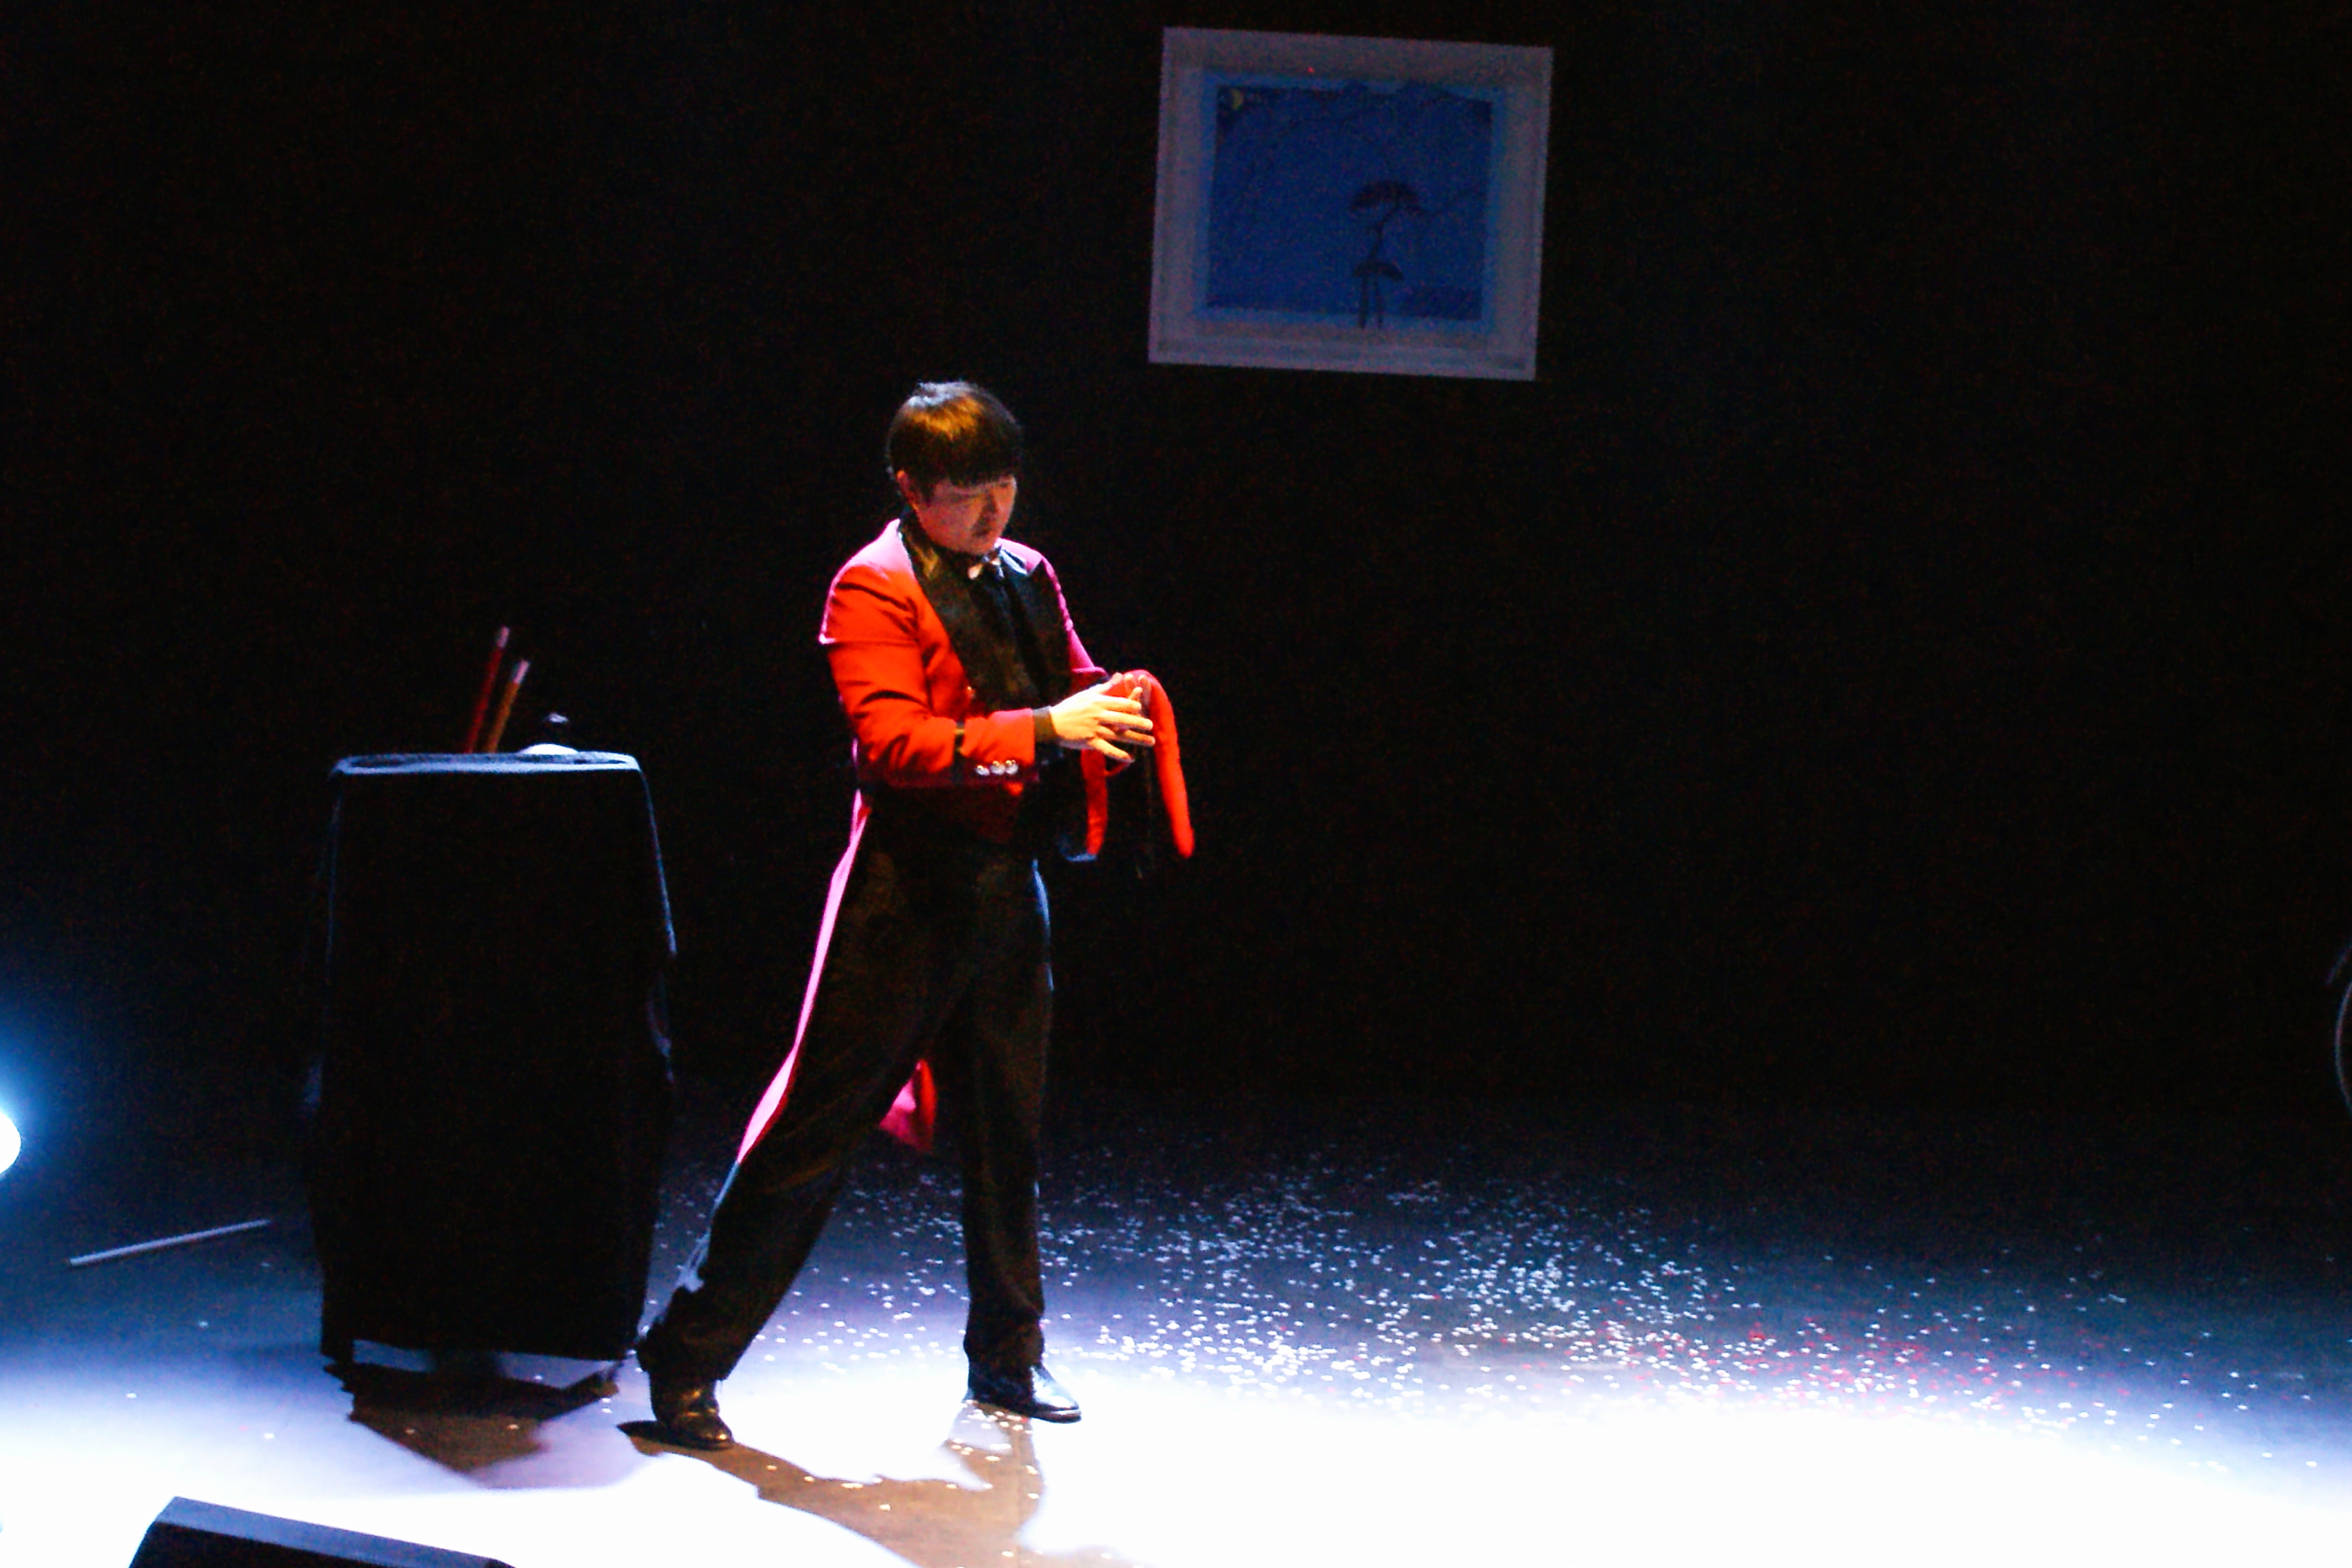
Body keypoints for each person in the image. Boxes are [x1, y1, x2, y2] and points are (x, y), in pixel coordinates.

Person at [635, 382, 1154, 1446]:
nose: (993, 510)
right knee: (815, 1129)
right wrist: (1044, 726)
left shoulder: (1025, 571)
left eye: (1004, 485)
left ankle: (1006, 1351)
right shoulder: (870, 585)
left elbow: (1065, 682)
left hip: (1005, 881)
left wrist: (1111, 704)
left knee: (1006, 1130)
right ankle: (685, 1351)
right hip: (903, 894)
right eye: (968, 493)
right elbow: (894, 743)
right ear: (913, 490)